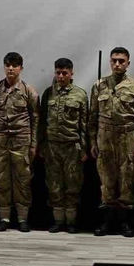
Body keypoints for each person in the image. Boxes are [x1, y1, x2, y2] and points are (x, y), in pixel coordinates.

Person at [88, 47, 134, 237]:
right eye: (114, 60)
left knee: (127, 180)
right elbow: (92, 116)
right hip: (105, 138)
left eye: (121, 61)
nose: (117, 64)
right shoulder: (99, 86)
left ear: (128, 63)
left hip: (127, 137)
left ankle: (126, 223)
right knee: (106, 181)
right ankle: (106, 222)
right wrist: (93, 142)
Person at [0, 52, 40, 232]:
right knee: (1, 179)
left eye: (15, 65)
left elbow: (35, 119)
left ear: (21, 68)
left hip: (21, 141)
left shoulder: (29, 92)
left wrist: (34, 144)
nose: (11, 68)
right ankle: (4, 217)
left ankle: (22, 218)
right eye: (8, 65)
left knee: (23, 180)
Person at [37, 58, 87, 233]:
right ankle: (58, 220)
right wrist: (41, 144)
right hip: (52, 146)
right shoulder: (48, 93)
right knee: (54, 183)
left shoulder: (80, 94)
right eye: (58, 73)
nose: (61, 76)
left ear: (71, 74)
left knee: (73, 184)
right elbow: (42, 121)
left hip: (72, 146)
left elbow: (84, 124)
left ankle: (71, 221)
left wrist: (84, 148)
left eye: (64, 73)